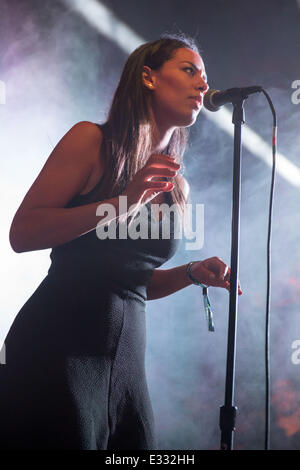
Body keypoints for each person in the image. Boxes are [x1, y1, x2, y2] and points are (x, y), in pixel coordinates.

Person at [0, 34, 242, 450]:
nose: (203, 85)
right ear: (148, 77)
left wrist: (188, 273)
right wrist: (123, 203)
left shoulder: (174, 183)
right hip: (58, 350)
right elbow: (22, 234)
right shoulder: (91, 141)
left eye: (205, 77)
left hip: (127, 369)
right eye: (189, 71)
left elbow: (131, 283)